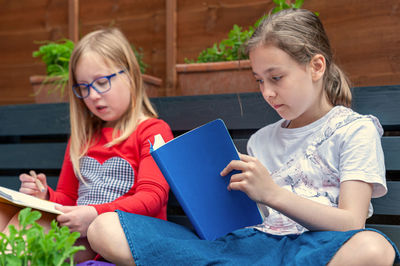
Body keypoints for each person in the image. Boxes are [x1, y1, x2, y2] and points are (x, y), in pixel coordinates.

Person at [86, 9, 400, 265]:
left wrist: (273, 194)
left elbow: (351, 224)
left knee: (373, 248)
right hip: (244, 248)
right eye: (259, 81)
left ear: (316, 66)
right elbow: (245, 224)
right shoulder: (260, 141)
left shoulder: (355, 130)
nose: (267, 93)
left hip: (310, 251)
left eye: (276, 78)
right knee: (104, 227)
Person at [0, 27, 173, 262]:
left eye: (102, 82)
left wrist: (94, 214)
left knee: (100, 228)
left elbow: (153, 198)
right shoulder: (83, 137)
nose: (92, 95)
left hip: (125, 235)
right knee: (9, 215)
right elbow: (68, 198)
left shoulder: (152, 131)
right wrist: (45, 196)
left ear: (130, 75)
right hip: (81, 236)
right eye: (83, 88)